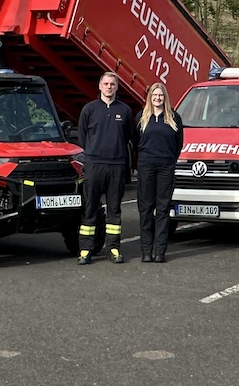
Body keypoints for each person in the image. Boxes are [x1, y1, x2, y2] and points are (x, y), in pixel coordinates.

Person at [77, 71, 135, 265]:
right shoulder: (89, 109)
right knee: (90, 208)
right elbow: (83, 137)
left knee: (114, 210)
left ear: (117, 87)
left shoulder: (125, 111)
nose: (109, 87)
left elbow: (128, 137)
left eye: (113, 84)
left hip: (117, 165)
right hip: (94, 165)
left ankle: (114, 248)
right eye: (106, 84)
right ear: (99, 86)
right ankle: (86, 250)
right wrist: (94, 154)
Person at [134, 82, 183, 263]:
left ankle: (160, 251)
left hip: (165, 168)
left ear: (165, 97)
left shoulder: (174, 118)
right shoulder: (141, 117)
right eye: (155, 95)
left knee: (162, 209)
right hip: (146, 167)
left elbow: (178, 144)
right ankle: (146, 251)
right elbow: (135, 142)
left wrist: (169, 162)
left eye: (161, 95)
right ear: (150, 97)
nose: (158, 98)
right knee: (146, 209)